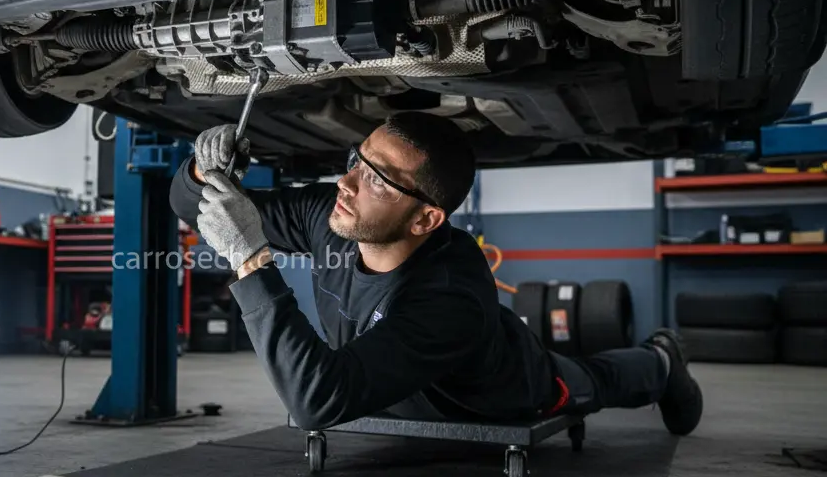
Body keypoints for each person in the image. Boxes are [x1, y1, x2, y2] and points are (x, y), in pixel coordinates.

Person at [169, 112, 703, 435]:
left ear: (427, 218)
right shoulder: (333, 215)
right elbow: (194, 207)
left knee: (594, 380)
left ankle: (660, 360)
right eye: (358, 158)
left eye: (378, 179)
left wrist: (250, 260)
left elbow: (314, 402)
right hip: (394, 380)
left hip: (503, 391)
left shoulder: (449, 297)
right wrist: (203, 171)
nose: (347, 182)